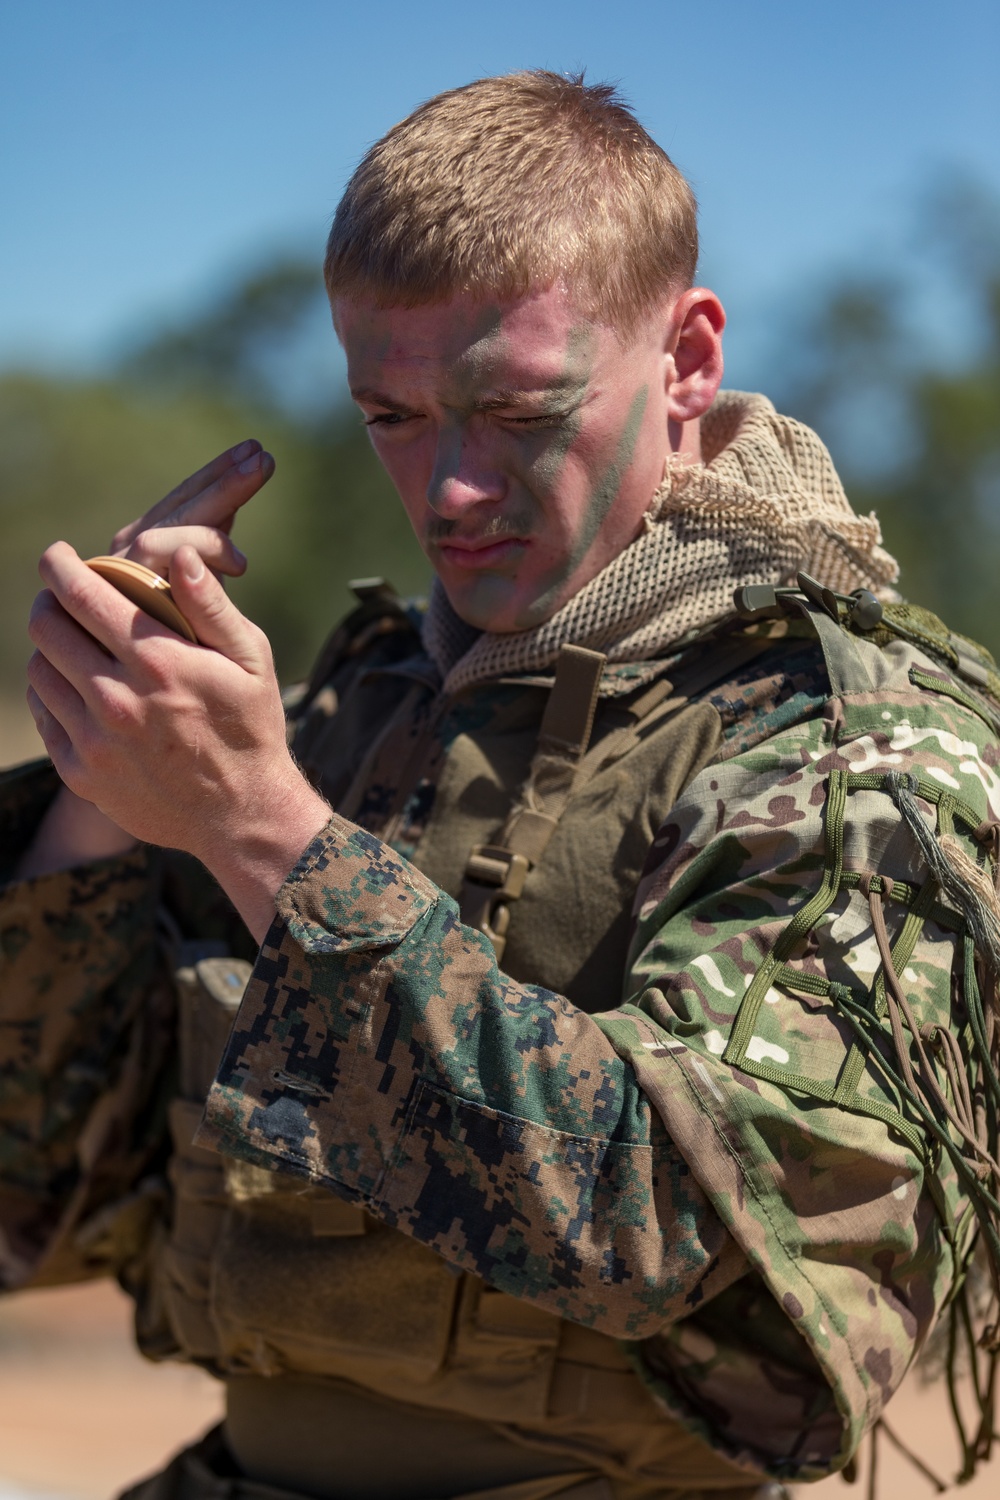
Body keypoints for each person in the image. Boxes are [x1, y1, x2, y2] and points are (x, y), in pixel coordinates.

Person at [2, 70, 999, 1500]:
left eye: (517, 409)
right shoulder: (362, 712)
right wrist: (104, 783)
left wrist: (260, 831)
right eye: (394, 416)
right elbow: (39, 1212)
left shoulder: (852, 742)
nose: (452, 490)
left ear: (690, 359)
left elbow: (664, 1227)